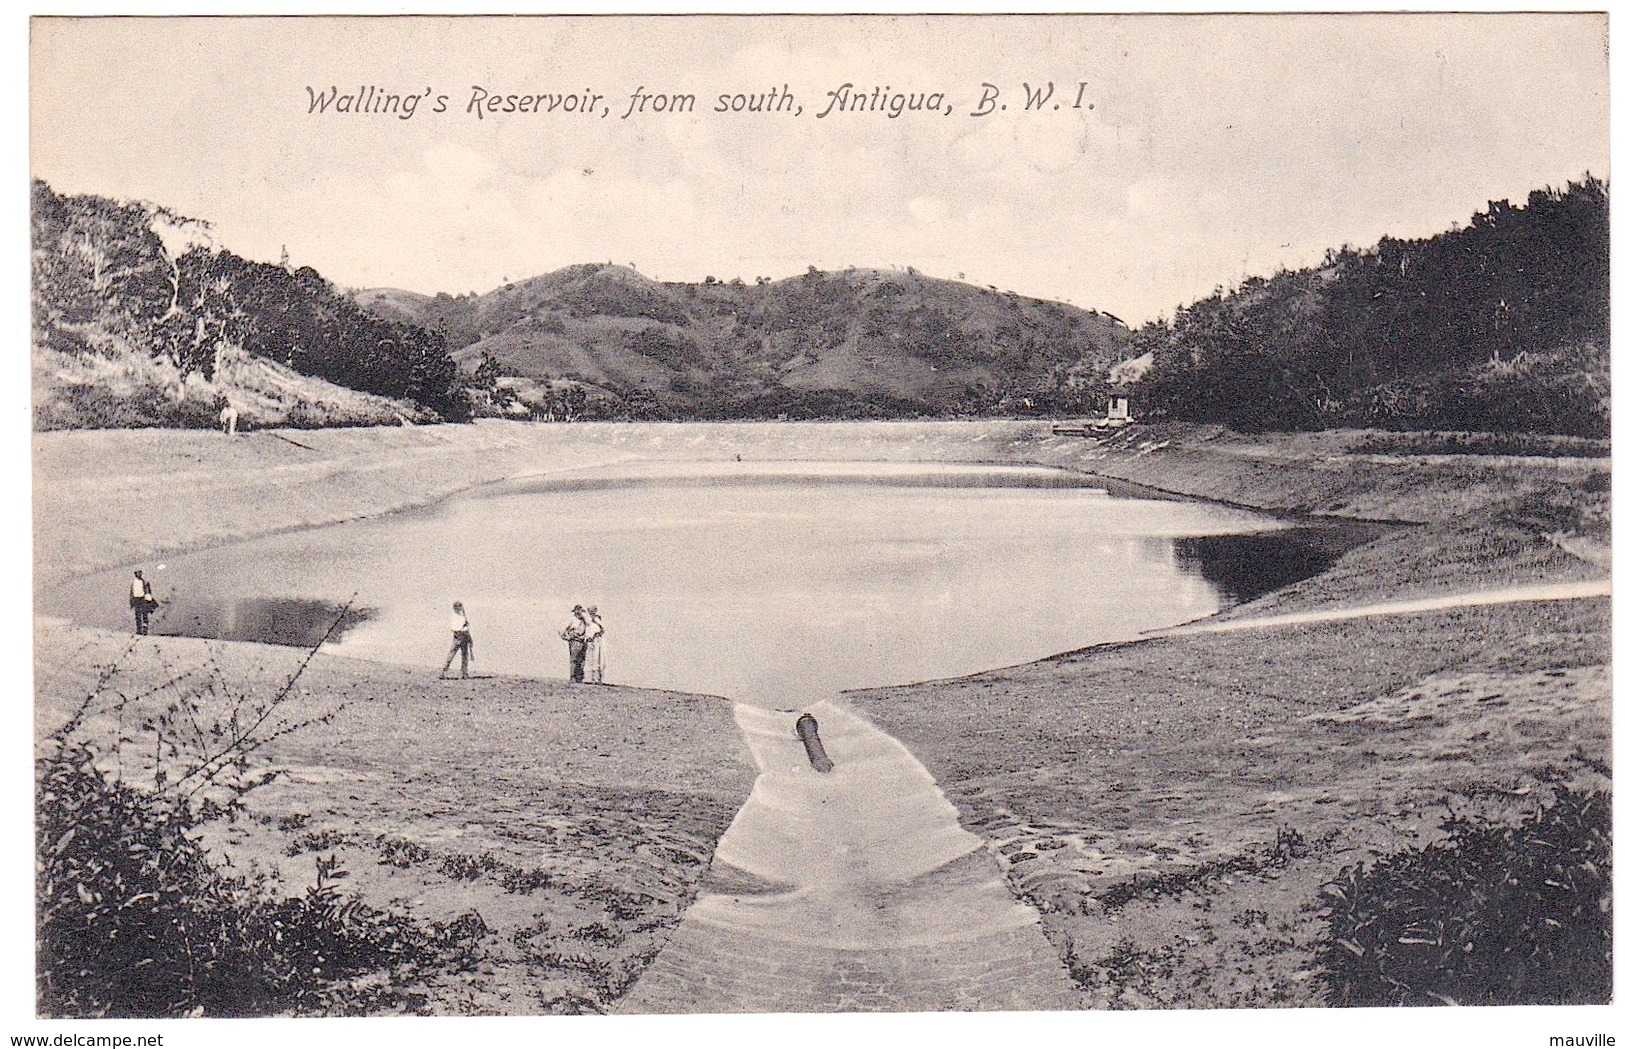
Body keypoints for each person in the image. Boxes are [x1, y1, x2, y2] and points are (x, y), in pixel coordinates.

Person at [440, 601, 473, 679]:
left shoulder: (460, 616)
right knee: (453, 654)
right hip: (459, 636)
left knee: (464, 655)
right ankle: (443, 671)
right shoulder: (455, 617)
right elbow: (455, 628)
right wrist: (464, 627)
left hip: (461, 636)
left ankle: (464, 673)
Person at [560, 605, 590, 683]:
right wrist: (568, 637)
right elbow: (561, 630)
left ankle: (579, 678)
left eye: (581, 611)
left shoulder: (583, 620)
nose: (580, 613)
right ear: (575, 611)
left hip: (583, 641)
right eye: (578, 611)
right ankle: (573, 677)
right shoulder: (571, 620)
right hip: (575, 641)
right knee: (574, 659)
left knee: (582, 660)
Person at [129, 570, 156, 635]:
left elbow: (148, 592)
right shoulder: (134, 583)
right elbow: (132, 593)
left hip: (143, 600)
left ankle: (145, 630)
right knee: (138, 616)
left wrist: (149, 599)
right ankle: (139, 630)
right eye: (138, 573)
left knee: (144, 615)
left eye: (140, 573)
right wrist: (131, 602)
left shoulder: (144, 582)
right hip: (136, 600)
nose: (139, 574)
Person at [584, 606, 605, 683]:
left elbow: (602, 629)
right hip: (589, 640)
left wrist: (597, 634)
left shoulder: (598, 618)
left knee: (597, 658)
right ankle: (588, 678)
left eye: (593, 610)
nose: (591, 612)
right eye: (590, 610)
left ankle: (597, 679)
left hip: (597, 640)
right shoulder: (586, 619)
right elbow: (587, 629)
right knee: (589, 658)